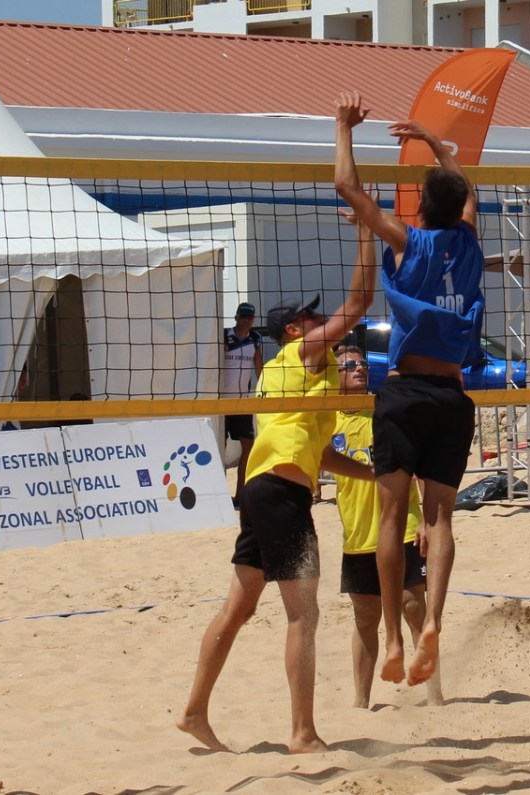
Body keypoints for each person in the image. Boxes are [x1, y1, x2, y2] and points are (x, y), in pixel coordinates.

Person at [177, 207, 378, 754]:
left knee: (238, 608)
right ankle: (303, 734)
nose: (321, 321)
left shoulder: (295, 375)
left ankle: (194, 712)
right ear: (294, 330)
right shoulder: (303, 354)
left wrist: (370, 472)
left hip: (263, 491)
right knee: (303, 615)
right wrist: (367, 228)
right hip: (281, 497)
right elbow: (360, 302)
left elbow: (321, 453)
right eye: (311, 317)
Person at [333, 90, 485, 688]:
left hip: (404, 395)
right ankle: (433, 623)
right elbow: (465, 188)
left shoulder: (407, 241)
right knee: (441, 520)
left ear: (420, 205)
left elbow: (347, 187)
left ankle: (395, 639)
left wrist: (344, 127)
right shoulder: (468, 241)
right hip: (451, 396)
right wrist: (433, 142)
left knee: (391, 519)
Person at [331, 344, 444, 708]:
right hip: (358, 533)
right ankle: (360, 703)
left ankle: (435, 697)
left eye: (362, 363)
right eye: (350, 365)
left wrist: (427, 519)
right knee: (366, 617)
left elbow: (422, 465)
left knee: (413, 607)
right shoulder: (326, 419)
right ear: (334, 375)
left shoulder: (385, 409)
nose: (359, 368)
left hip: (402, 526)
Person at [220, 302, 263, 508]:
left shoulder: (255, 338)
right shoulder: (224, 335)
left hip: (242, 401)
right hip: (221, 401)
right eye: (243, 316)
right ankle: (220, 495)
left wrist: (264, 389)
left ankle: (240, 495)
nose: (246, 320)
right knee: (220, 446)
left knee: (248, 446)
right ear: (236, 317)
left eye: (249, 317)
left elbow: (258, 365)